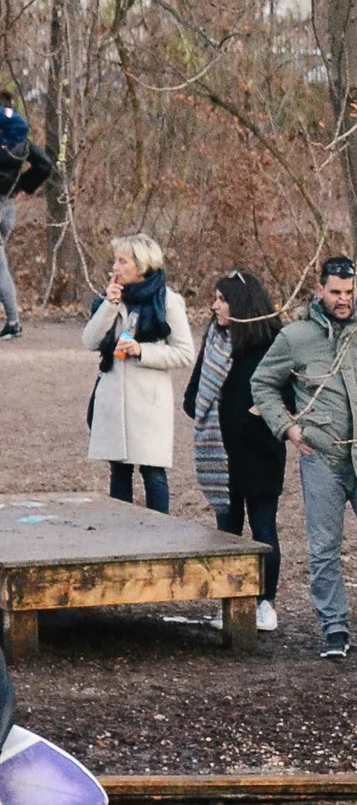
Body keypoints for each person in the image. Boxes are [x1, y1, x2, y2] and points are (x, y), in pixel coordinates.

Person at [252, 253, 357, 658]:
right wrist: (288, 428)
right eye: (334, 292)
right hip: (322, 458)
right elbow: (262, 384)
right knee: (324, 548)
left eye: (348, 291)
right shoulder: (295, 337)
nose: (342, 299)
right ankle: (334, 628)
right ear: (319, 290)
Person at [184, 273, 285, 632]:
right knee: (226, 532)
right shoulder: (214, 340)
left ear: (241, 304)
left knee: (262, 529)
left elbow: (286, 396)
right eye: (215, 298)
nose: (214, 306)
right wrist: (208, 414)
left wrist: (256, 417)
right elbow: (193, 397)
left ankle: (264, 603)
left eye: (222, 299)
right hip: (220, 455)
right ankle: (230, 602)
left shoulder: (271, 343)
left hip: (260, 452)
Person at [83, 238, 193, 514]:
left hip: (147, 400)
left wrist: (142, 350)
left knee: (153, 471)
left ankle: (161, 529)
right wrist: (109, 306)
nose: (115, 267)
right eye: (115, 260)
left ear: (142, 265)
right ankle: (121, 530)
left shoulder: (167, 301)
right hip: (114, 394)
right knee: (119, 470)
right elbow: (90, 340)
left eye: (122, 261)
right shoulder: (112, 299)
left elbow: (185, 353)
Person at [0, 99, 55, 339]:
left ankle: (13, 322)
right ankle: (13, 322)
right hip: (8, 206)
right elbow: (45, 165)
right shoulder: (20, 143)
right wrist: (22, 185)